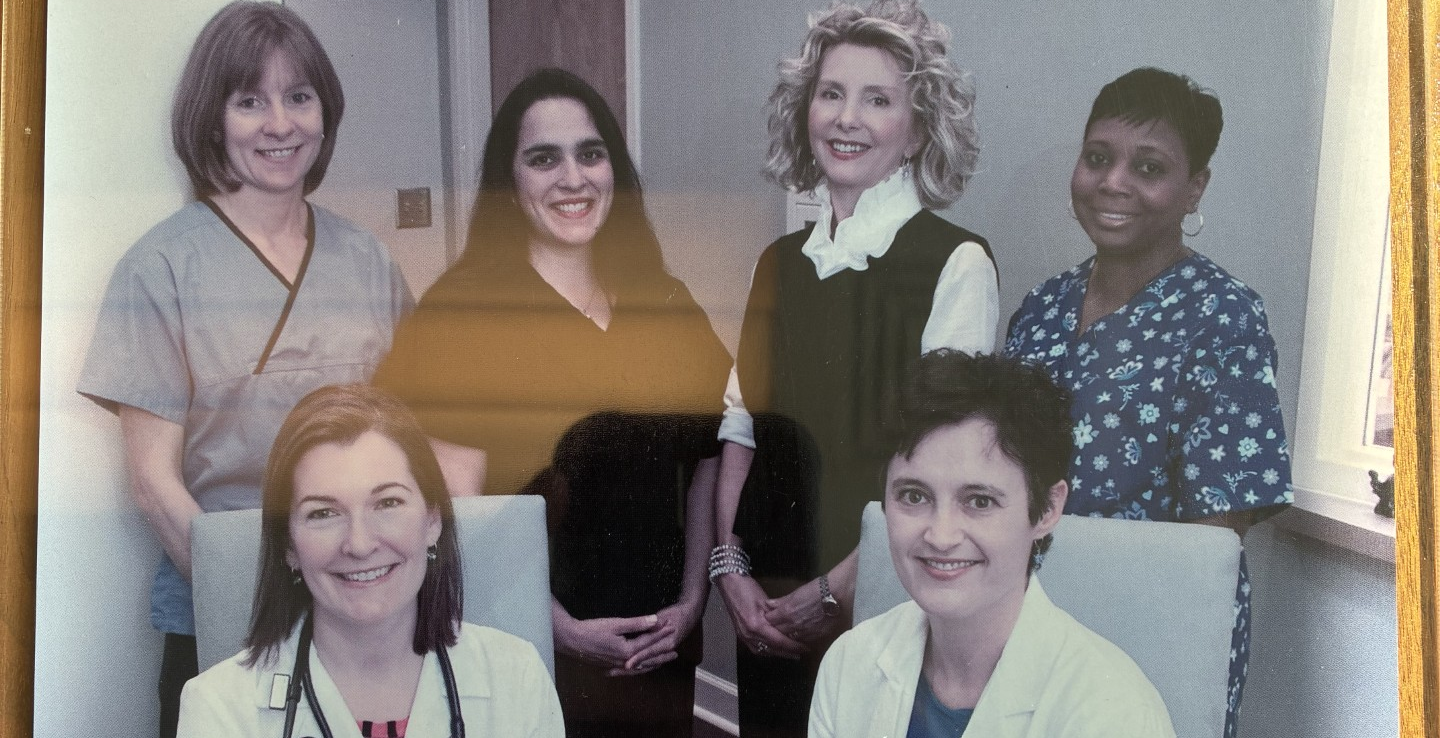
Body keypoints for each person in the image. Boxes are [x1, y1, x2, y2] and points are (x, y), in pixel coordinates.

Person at [76, 3, 413, 736]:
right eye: (250, 101)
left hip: (363, 613)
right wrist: (259, 602)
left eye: (299, 96)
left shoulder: (367, 260)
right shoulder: (160, 267)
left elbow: (408, 454)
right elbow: (153, 483)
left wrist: (358, 590)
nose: (280, 124)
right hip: (225, 617)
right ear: (212, 118)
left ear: (325, 113)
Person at [373, 68, 731, 737]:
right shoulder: (462, 313)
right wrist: (559, 627)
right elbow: (460, 511)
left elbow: (709, 454)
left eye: (590, 154)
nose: (573, 178)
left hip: (661, 651)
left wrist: (691, 600)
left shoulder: (664, 299)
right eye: (544, 159)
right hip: (531, 650)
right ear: (509, 184)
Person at [708, 1, 996, 732]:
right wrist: (731, 569)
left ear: (918, 129)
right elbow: (740, 428)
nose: (846, 118)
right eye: (831, 93)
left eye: (877, 100)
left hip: (883, 594)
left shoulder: (955, 263)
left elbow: (942, 469)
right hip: (765, 597)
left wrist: (834, 593)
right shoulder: (777, 263)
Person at [1003, 67, 1293, 738]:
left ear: (1195, 188)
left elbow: (1214, 538)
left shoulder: (1223, 317)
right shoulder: (1041, 309)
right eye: (1097, 158)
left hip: (1151, 629)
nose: (1113, 182)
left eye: (1149, 167)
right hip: (1024, 621)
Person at [809, 351, 1176, 738]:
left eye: (979, 501)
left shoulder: (1115, 714)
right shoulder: (848, 665)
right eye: (914, 496)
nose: (941, 536)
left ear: (1047, 509)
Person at [176, 384, 564, 737]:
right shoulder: (219, 706)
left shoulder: (518, 678)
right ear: (288, 546)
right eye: (323, 513)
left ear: (432, 521)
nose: (359, 544)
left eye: (388, 503)